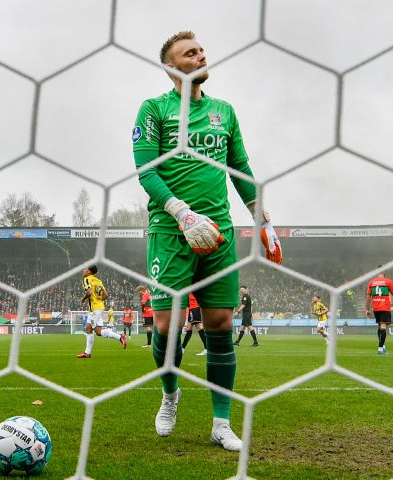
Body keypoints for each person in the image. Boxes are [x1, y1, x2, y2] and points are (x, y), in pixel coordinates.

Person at [132, 31, 281, 451]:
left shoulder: (224, 112)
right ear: (170, 66)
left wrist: (260, 216)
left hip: (219, 232)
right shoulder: (154, 109)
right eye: (189, 52)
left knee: (219, 323)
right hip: (171, 231)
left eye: (200, 49)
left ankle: (220, 422)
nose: (200, 55)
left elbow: (240, 167)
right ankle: (169, 394)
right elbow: (146, 170)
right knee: (167, 324)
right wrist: (180, 211)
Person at [76, 265, 127, 358]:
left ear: (89, 272)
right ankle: (87, 353)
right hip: (98, 308)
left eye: (85, 269)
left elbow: (89, 292)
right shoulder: (98, 281)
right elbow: (106, 295)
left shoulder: (87, 279)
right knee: (88, 329)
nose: (83, 270)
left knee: (98, 332)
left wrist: (83, 299)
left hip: (95, 309)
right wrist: (99, 300)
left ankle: (120, 337)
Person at [365, 269, 393, 355]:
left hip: (376, 308)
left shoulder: (371, 282)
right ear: (384, 272)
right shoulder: (388, 281)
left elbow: (368, 298)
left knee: (380, 325)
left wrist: (367, 309)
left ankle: (383, 346)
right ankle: (380, 349)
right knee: (384, 325)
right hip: (384, 307)